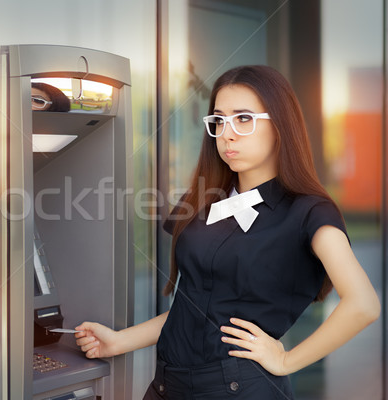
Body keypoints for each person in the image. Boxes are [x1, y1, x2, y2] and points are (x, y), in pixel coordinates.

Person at [74, 65, 380, 399]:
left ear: (280, 125)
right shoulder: (205, 202)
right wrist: (119, 341)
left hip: (238, 389)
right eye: (219, 120)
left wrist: (286, 359)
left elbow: (363, 304)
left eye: (244, 118)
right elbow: (193, 309)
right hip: (166, 385)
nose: (227, 133)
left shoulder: (308, 212)